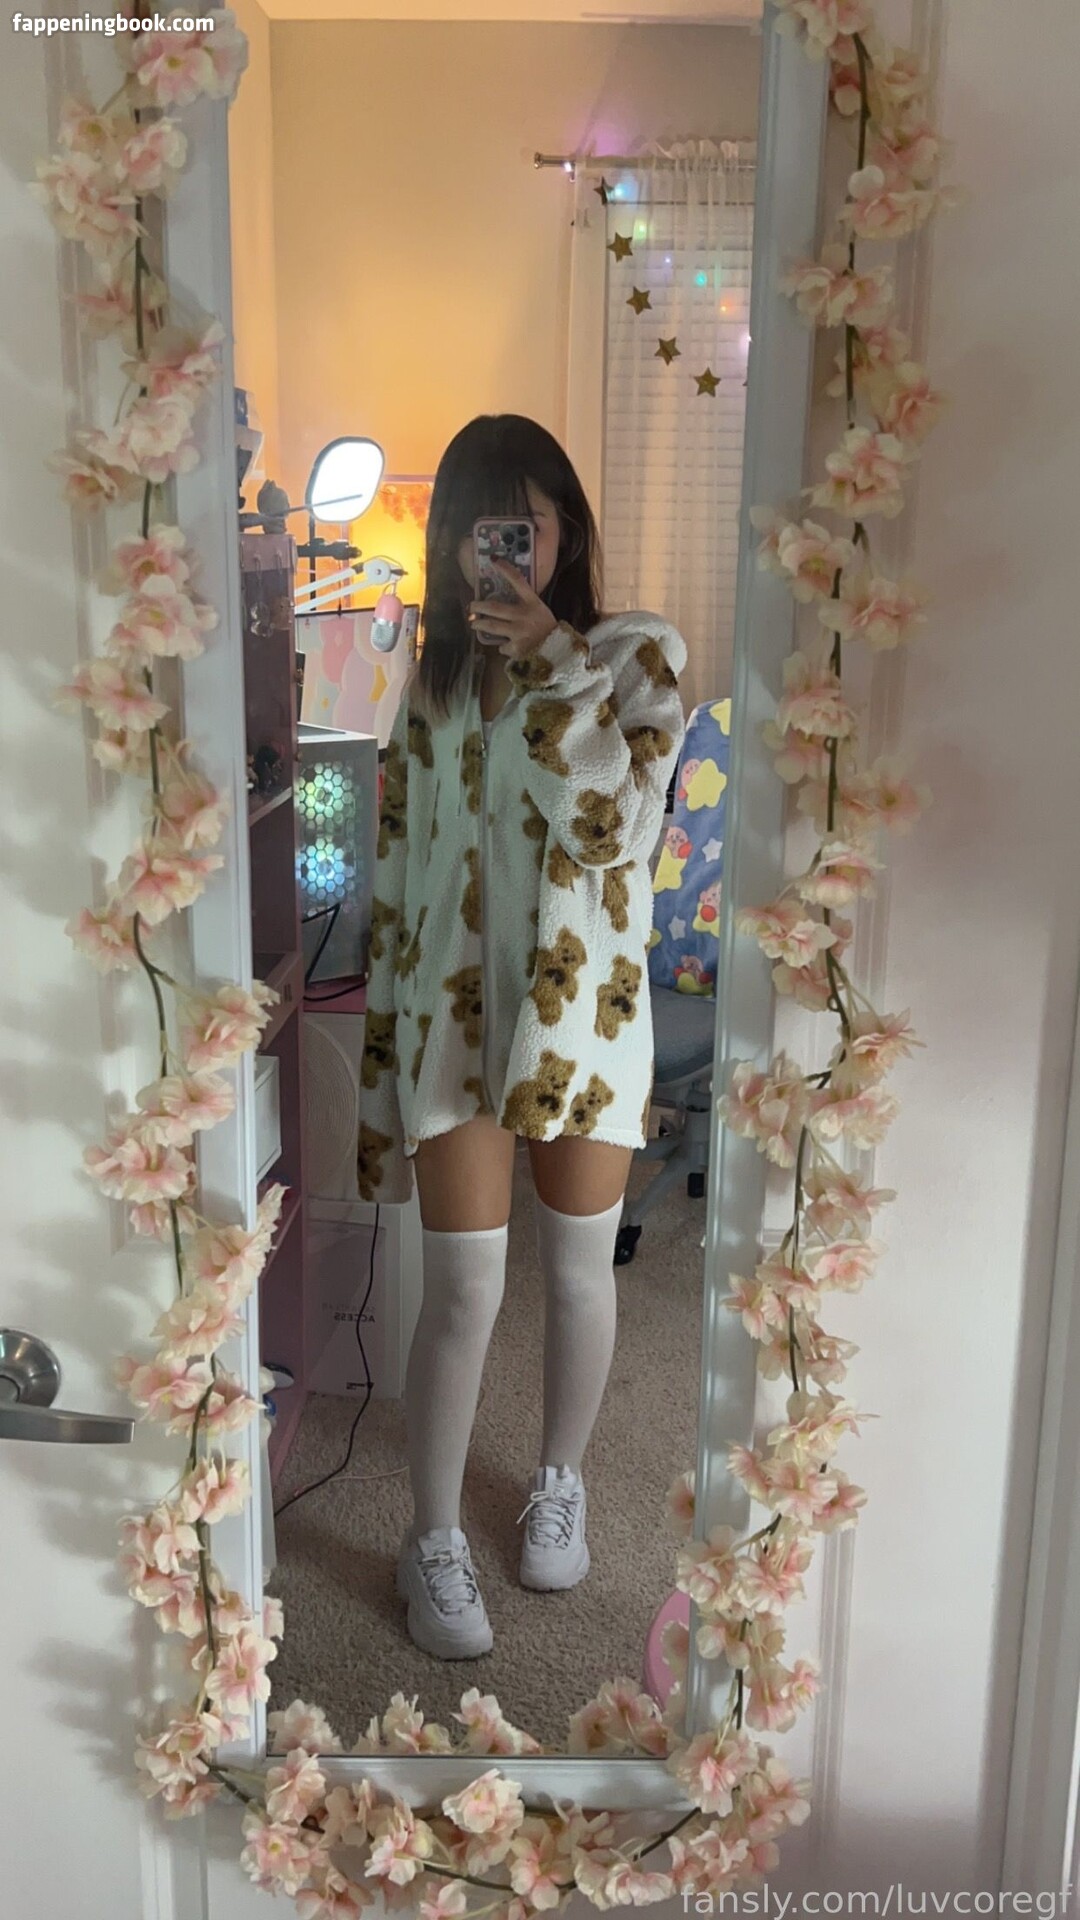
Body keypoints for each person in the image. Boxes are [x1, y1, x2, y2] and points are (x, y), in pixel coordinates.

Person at [356, 413, 687, 1660]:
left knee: (578, 1274)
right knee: (463, 1290)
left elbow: (616, 835)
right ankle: (432, 1536)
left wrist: (554, 662)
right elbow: (398, 874)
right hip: (450, 1026)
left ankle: (561, 1479)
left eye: (524, 526)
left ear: (567, 532)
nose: (499, 551)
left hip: (584, 1022)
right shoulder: (434, 681)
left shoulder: (636, 657)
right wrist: (383, 1063)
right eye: (476, 529)